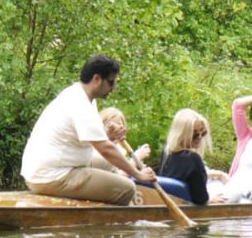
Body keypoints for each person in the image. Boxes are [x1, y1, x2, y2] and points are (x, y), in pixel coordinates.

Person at [21, 55, 157, 204]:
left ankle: (110, 190)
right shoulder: (81, 104)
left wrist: (107, 135)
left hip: (51, 169)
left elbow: (92, 140)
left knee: (109, 163)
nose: (113, 88)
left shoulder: (79, 95)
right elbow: (105, 149)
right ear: (97, 79)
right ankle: (115, 221)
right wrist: (138, 174)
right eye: (111, 82)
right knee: (128, 188)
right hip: (52, 176)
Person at [157, 109, 229, 205]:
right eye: (195, 134)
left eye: (203, 133)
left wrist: (214, 174)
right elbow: (201, 199)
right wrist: (210, 200)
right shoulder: (193, 159)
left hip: (170, 201)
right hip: (189, 204)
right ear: (183, 134)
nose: (200, 137)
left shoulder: (166, 153)